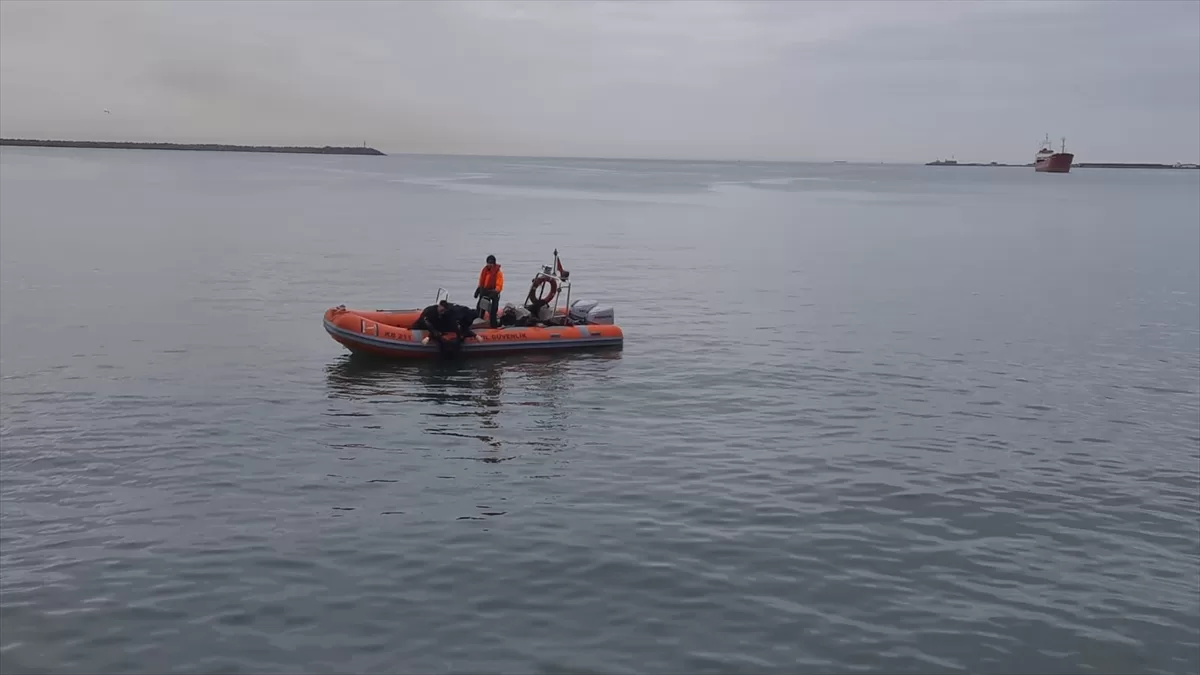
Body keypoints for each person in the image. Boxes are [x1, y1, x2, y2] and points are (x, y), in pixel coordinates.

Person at [474, 255, 504, 329]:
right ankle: (479, 323)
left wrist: (495, 291)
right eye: (488, 263)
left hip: (494, 292)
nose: (489, 264)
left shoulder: (498, 273)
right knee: (480, 307)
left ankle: (494, 326)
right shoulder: (484, 271)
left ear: (494, 264)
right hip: (485, 291)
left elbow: (499, 284)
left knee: (493, 310)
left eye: (491, 263)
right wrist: (478, 289)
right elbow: (481, 281)